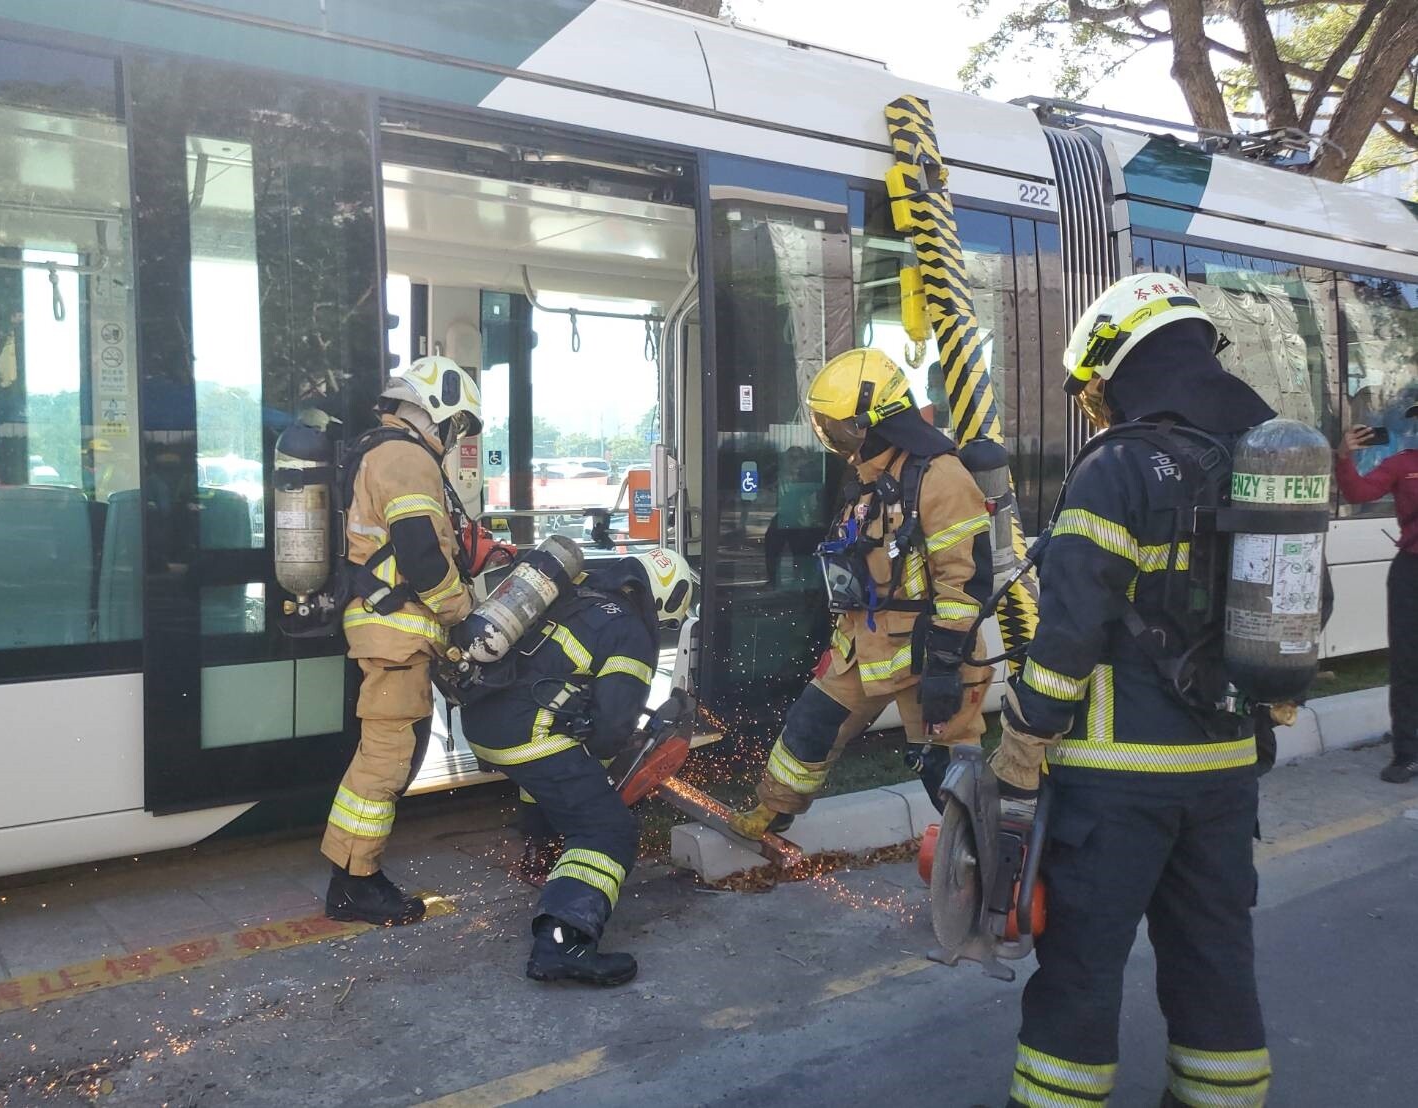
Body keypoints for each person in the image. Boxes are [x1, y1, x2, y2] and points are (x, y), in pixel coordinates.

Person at [988, 272, 1279, 1108]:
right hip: (1226, 773)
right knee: (1214, 956)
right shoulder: (1257, 458)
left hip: (1117, 785)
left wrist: (1023, 740)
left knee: (1081, 968)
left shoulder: (1120, 466)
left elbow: (1069, 629)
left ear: (1118, 364)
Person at [730, 348, 993, 840]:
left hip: (930, 653)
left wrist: (943, 667)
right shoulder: (870, 478)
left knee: (944, 770)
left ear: (872, 421)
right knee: (810, 726)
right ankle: (773, 810)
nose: (834, 438)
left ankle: (990, 857)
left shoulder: (941, 478)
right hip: (865, 646)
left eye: (839, 427)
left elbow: (966, 582)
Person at [458, 547, 694, 987]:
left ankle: (543, 849)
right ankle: (563, 942)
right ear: (665, 599)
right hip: (528, 735)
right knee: (607, 830)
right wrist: (608, 774)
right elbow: (610, 729)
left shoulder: (577, 596)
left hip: (483, 722)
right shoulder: (630, 631)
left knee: (559, 776)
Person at [320, 356, 481, 927]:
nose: (454, 439)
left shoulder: (381, 451)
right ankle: (354, 883)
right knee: (385, 759)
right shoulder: (405, 456)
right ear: (435, 407)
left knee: (397, 753)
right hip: (394, 634)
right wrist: (462, 612)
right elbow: (419, 550)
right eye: (456, 426)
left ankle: (354, 875)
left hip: (391, 632)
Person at [1336, 405, 1418, 783]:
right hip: (1411, 572)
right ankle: (1408, 753)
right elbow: (1358, 491)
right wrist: (1344, 456)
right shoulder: (1403, 464)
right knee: (1407, 665)